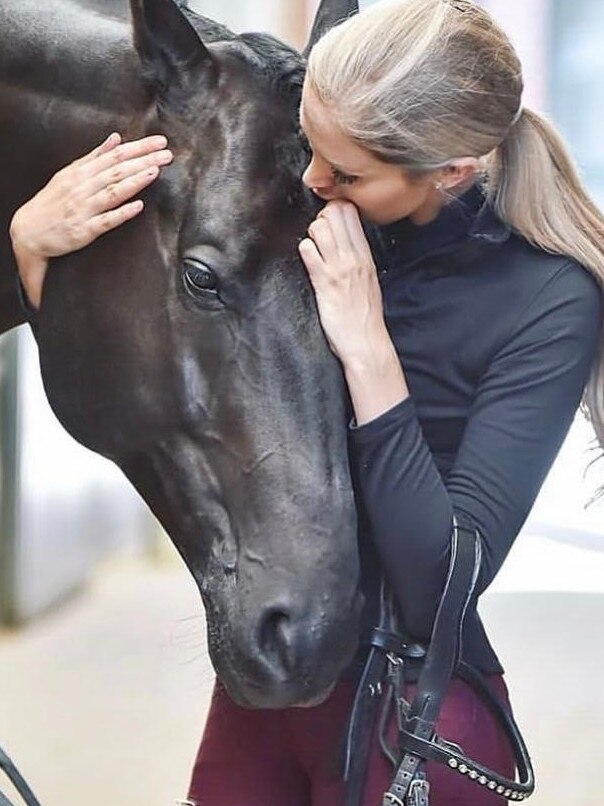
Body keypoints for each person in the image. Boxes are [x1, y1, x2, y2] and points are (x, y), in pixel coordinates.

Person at [8, 1, 604, 804]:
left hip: (415, 724)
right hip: (265, 701)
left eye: (345, 172)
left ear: (449, 171)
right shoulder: (315, 206)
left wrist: (368, 352)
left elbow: (444, 586)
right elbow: (171, 359)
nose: (317, 182)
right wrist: (32, 255)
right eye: (314, 152)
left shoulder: (547, 300)